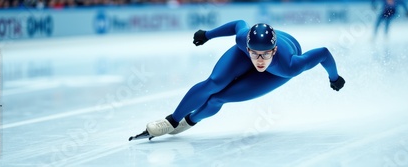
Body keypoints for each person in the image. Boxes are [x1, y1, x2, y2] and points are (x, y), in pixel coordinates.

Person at [129, 20, 345, 141]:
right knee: (214, 83)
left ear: (275, 50)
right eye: (255, 54)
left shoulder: (290, 65)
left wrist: (334, 78)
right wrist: (208, 34)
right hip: (252, 54)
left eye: (265, 55)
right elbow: (238, 25)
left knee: (218, 99)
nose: (259, 61)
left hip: (277, 70)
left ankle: (190, 121)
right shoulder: (243, 39)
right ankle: (172, 121)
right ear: (247, 47)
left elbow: (324, 53)